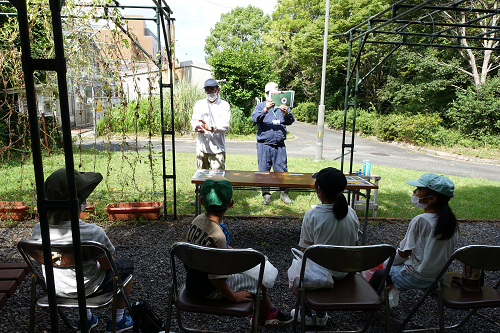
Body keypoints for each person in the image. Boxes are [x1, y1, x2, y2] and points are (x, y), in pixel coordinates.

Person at [32, 168, 134, 333]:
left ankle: (85, 319)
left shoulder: (38, 230)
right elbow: (109, 266)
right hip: (88, 288)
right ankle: (119, 320)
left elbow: (56, 259)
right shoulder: (93, 232)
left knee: (73, 269)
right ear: (79, 203)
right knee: (126, 269)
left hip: (55, 287)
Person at [184, 175, 293, 329]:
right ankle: (263, 317)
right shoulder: (218, 236)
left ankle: (270, 310)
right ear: (231, 204)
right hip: (209, 289)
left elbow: (199, 248)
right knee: (260, 282)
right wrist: (233, 297)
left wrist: (227, 250)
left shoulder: (197, 221)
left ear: (202, 202)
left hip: (193, 281)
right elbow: (216, 278)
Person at [291, 167, 360, 327]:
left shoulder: (312, 215)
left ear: (319, 190)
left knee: (297, 271)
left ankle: (307, 314)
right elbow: (355, 246)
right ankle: (321, 315)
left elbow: (304, 251)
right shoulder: (351, 213)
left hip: (319, 278)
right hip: (343, 275)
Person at [369, 173, 459, 293]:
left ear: (432, 199)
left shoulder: (421, 220)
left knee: (378, 275)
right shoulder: (451, 221)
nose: (414, 192)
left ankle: (367, 306)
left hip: (417, 276)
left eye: (418, 189)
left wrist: (386, 263)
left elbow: (404, 253)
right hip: (438, 277)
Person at [252, 82, 295, 205]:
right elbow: (254, 119)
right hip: (264, 144)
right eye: (267, 93)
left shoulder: (283, 106)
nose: (270, 96)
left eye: (272, 93)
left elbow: (290, 121)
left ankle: (284, 194)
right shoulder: (260, 106)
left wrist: (287, 113)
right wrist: (265, 109)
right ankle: (266, 195)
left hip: (279, 145)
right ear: (265, 93)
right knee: (264, 170)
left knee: (282, 169)